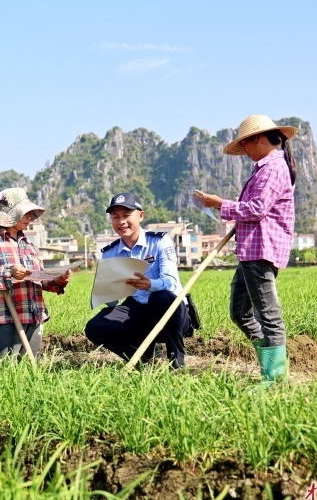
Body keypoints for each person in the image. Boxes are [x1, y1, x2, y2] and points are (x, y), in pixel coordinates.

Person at [194, 114, 297, 386]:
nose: (246, 151)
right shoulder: (263, 168)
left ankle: (274, 379)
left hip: (261, 251)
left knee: (268, 315)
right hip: (249, 252)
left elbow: (257, 209)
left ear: (259, 139)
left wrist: (220, 204)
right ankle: (271, 358)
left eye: (247, 145)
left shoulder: (274, 168)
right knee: (239, 312)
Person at [84, 192, 189, 369]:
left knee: (161, 297)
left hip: (171, 311)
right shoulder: (110, 252)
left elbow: (171, 282)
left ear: (140, 215)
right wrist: (106, 291)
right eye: (115, 217)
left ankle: (176, 362)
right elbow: (112, 302)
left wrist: (150, 284)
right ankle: (144, 357)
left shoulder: (160, 242)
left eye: (126, 215)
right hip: (137, 308)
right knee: (95, 327)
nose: (121, 222)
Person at [0, 188, 71, 359]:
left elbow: (40, 281)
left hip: (33, 315)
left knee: (31, 371)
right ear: (10, 214)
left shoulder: (30, 246)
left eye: (31, 214)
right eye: (25, 213)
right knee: (4, 372)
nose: (30, 218)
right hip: (4, 316)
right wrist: (9, 273)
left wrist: (58, 280)